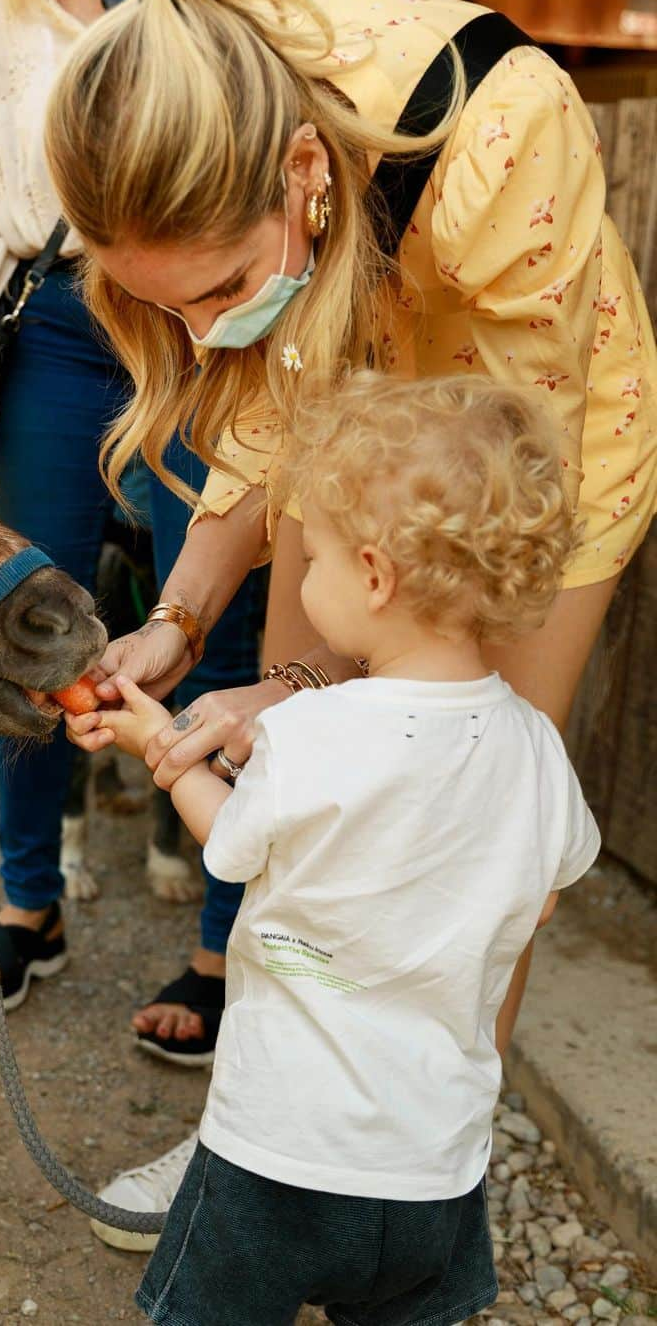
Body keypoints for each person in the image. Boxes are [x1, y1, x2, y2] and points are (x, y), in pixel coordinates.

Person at [46, 0, 653, 1183]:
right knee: (296, 791)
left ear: (307, 171)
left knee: (468, 819)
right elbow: (270, 392)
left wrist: (329, 684)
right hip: (359, 431)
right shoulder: (194, 107)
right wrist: (181, 621)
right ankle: (264, 1144)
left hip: (519, 476)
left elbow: (492, 502)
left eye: (222, 293)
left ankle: (425, 1173)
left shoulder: (504, 132)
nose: (210, 332)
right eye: (176, 310)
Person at [88, 372, 599, 1322]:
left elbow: (231, 845)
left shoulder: (313, 734)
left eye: (311, 557)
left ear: (373, 575)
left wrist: (152, 744)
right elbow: (545, 899)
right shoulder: (535, 746)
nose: (305, 578)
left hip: (276, 1155)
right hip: (436, 1170)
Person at [0, 0, 265, 1058]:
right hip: (62, 317)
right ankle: (31, 904)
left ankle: (223, 944)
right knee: (26, 617)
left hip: (202, 307)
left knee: (220, 621)